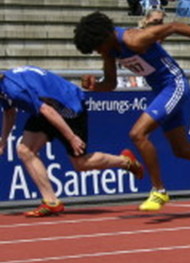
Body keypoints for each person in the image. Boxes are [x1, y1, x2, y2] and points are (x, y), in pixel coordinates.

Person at [73, 11, 190, 212]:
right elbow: (111, 84)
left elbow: (173, 26)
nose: (97, 51)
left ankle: (159, 190)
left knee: (137, 134)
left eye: (96, 47)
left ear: (104, 37)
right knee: (181, 149)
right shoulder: (109, 50)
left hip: (175, 85)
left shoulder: (134, 39)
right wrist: (95, 86)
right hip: (161, 91)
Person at [0, 66, 144, 217]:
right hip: (48, 106)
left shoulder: (14, 90)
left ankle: (125, 161)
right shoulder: (4, 87)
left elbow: (47, 111)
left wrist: (71, 137)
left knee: (81, 164)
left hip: (69, 108)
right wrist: (3, 142)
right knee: (25, 150)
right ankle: (51, 202)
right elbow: (10, 113)